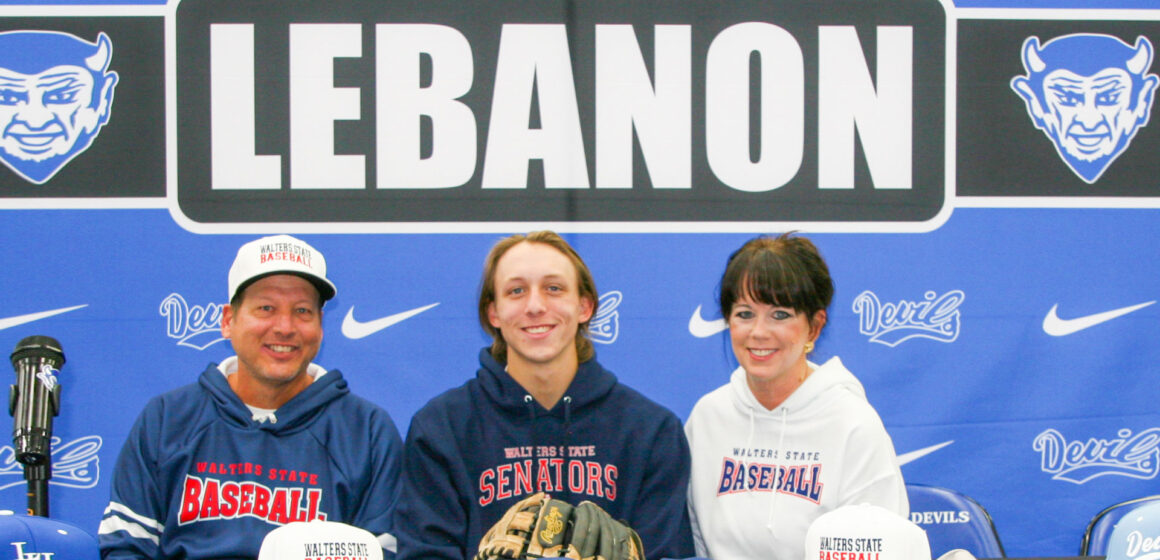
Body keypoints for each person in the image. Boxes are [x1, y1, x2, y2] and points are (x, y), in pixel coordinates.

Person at [98, 235, 404, 560]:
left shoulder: (366, 430)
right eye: (266, 308)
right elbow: (127, 548)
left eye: (302, 311)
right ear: (228, 321)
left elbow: (384, 552)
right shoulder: (168, 417)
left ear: (320, 326)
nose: (284, 327)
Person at [395, 230, 694, 560]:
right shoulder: (442, 428)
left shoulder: (651, 431)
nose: (535, 306)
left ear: (584, 306)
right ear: (493, 313)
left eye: (554, 288)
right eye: (516, 291)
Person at [684, 233, 907, 560]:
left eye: (780, 315)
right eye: (744, 314)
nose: (759, 332)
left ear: (814, 327)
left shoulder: (853, 425)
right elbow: (694, 542)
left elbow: (883, 550)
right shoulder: (708, 417)